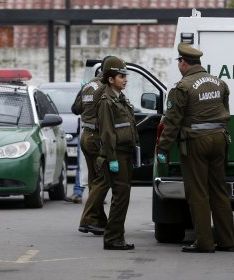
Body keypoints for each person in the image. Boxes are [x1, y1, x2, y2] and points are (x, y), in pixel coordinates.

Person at [156, 43, 234, 253]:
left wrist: (162, 149)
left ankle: (204, 242)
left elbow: (172, 122)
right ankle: (227, 241)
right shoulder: (219, 83)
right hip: (219, 139)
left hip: (195, 142)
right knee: (219, 191)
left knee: (198, 193)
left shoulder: (182, 87)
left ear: (183, 62)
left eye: (179, 62)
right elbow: (225, 111)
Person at [83, 56, 139, 249]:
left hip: (125, 153)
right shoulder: (107, 101)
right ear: (110, 79)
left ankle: (117, 237)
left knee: (122, 198)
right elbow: (107, 134)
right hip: (116, 155)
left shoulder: (120, 98)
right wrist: (112, 159)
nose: (125, 79)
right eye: (120, 76)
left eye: (125, 75)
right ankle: (113, 238)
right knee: (120, 197)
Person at [72, 56, 110, 234]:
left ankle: (99, 220)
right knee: (103, 179)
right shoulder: (105, 87)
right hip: (97, 137)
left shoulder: (89, 84)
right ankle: (87, 219)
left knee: (94, 180)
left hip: (85, 135)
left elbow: (75, 108)